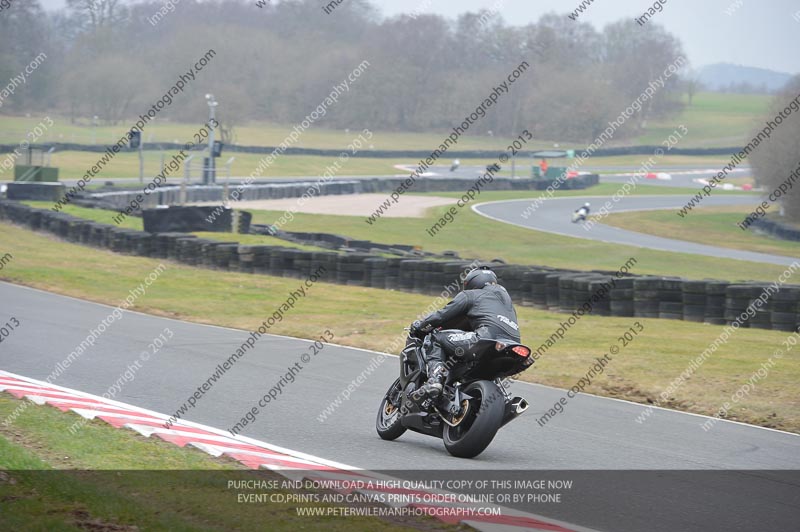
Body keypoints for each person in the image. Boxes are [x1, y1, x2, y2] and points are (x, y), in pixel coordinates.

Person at [410, 268, 521, 399]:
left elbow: (441, 316)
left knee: (435, 339)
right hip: (515, 347)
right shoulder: (507, 305)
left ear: (472, 283)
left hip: (486, 339)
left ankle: (435, 380)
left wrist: (421, 325)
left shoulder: (472, 295)